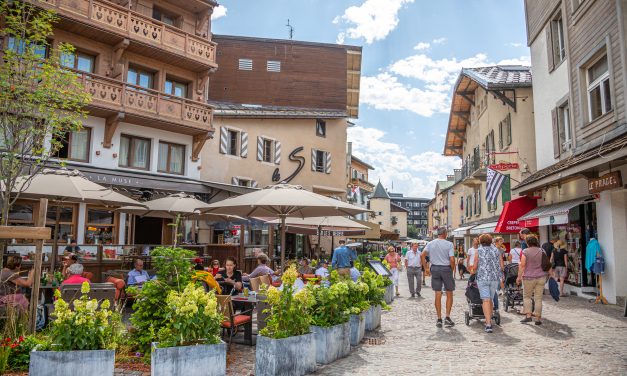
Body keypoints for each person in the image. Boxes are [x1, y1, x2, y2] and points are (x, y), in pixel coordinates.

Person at [422, 227, 456, 328]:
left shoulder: (430, 243)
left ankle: (439, 318)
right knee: (449, 292)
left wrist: (426, 268)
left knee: (438, 293)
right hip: (446, 269)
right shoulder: (449, 244)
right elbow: (452, 259)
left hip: (435, 269)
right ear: (445, 234)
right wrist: (452, 269)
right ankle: (448, 317)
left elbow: (422, 255)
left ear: (438, 234)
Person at [473, 234, 504, 333]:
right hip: (494, 278)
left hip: (482, 278)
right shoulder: (496, 250)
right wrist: (501, 277)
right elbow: (500, 264)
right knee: (490, 299)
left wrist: (473, 271)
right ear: (491, 241)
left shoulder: (479, 251)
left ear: (481, 241)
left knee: (485, 300)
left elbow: (475, 265)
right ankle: (489, 320)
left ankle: (488, 324)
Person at [516, 234, 547, 325]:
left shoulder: (525, 251)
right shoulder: (542, 250)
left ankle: (528, 316)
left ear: (527, 242)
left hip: (528, 278)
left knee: (527, 297)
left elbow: (522, 265)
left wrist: (518, 277)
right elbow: (546, 262)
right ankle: (537, 319)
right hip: (541, 277)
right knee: (538, 298)